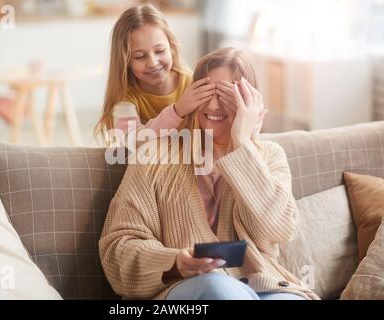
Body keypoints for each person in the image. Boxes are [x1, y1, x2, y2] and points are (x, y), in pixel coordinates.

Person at [98, 47, 319, 300]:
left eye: (226, 95)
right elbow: (117, 246)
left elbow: (280, 230)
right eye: (207, 93)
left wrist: (241, 144)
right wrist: (174, 262)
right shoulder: (155, 156)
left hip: (263, 286)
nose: (214, 105)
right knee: (218, 287)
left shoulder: (269, 156)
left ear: (250, 102)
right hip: (185, 287)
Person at [94, 4, 263, 145]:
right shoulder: (124, 102)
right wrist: (177, 111)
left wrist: (250, 118)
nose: (153, 62)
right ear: (125, 61)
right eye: (140, 56)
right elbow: (132, 142)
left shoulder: (194, 83)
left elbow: (223, 130)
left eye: (159, 51)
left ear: (172, 48)